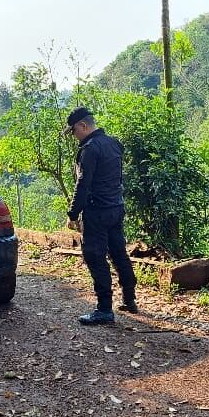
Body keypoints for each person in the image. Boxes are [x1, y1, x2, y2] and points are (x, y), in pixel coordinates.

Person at [64, 107, 138, 325]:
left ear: (83, 126)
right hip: (116, 208)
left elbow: (83, 183)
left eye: (74, 131)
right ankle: (129, 299)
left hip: (97, 212)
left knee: (95, 257)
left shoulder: (90, 149)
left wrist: (73, 213)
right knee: (119, 253)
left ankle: (104, 309)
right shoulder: (114, 143)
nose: (74, 135)